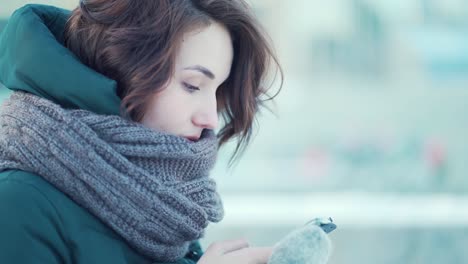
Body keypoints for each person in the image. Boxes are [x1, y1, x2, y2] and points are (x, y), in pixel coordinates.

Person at [0, 0, 282, 263]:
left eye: (218, 90)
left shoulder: (165, 207)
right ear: (120, 70)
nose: (210, 118)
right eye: (193, 85)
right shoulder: (17, 205)